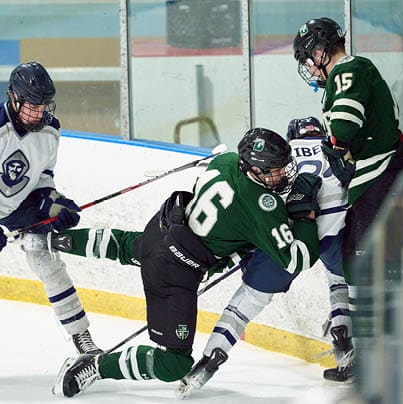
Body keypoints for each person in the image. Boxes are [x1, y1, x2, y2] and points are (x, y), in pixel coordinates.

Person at [51, 127, 323, 398]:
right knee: (174, 363)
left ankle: (53, 239)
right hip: (174, 275)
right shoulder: (262, 206)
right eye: (275, 169)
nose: (283, 174)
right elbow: (298, 259)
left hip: (163, 231)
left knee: (126, 246)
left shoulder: (225, 161)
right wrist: (304, 215)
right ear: (254, 169)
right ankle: (96, 367)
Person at [178, 117, 351, 398]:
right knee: (339, 280)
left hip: (287, 235)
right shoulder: (335, 147)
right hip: (334, 230)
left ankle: (210, 359)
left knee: (249, 300)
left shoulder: (281, 155)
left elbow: (264, 198)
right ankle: (344, 342)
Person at [293, 17, 403, 380]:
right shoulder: (351, 73)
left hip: (383, 177)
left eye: (309, 57)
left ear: (321, 49)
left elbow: (344, 123)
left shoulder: (350, 69)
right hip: (379, 179)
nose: (309, 66)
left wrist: (335, 145)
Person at [0, 61, 102, 355]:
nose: (39, 113)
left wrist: (51, 203)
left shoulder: (50, 130)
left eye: (43, 106)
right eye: (32, 106)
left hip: (20, 208)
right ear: (14, 97)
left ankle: (82, 337)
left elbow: (43, 176)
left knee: (48, 262)